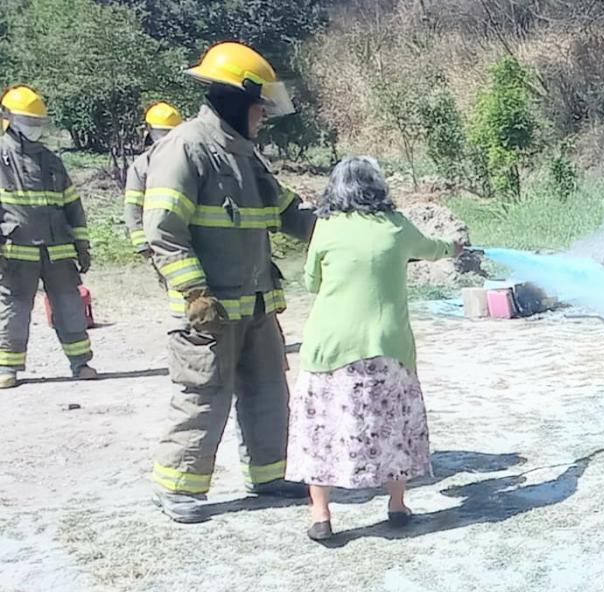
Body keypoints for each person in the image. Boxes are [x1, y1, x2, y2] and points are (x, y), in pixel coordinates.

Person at [143, 41, 316, 523]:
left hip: (257, 306)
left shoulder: (246, 155)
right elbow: (162, 230)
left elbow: (289, 213)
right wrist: (195, 293)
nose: (263, 117)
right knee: (203, 393)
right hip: (209, 310)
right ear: (238, 99)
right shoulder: (187, 147)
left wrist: (347, 228)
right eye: (260, 108)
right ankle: (176, 486)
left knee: (267, 390)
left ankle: (268, 474)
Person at [286, 155, 462, 541]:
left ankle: (321, 515)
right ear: (377, 186)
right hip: (387, 345)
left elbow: (312, 281)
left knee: (320, 428)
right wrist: (456, 247)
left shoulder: (326, 227)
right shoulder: (395, 227)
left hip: (328, 345)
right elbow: (433, 249)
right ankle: (397, 506)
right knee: (393, 424)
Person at [0, 85, 97, 389]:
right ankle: (7, 368)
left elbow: (72, 205)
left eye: (37, 121)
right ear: (8, 118)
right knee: (14, 308)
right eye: (27, 120)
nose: (33, 127)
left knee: (69, 305)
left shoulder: (51, 161)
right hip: (16, 250)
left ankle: (81, 363)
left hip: (57, 250)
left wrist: (81, 244)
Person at [124, 101, 183, 268]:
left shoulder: (190, 161)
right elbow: (133, 207)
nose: (164, 137)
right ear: (149, 131)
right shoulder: (142, 165)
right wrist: (142, 244)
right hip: (158, 239)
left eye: (169, 132)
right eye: (161, 132)